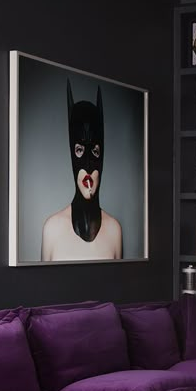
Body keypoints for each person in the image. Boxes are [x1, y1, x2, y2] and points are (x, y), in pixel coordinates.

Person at [41, 81, 122, 261]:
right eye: (79, 150)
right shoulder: (52, 229)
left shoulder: (114, 230)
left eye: (94, 151)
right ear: (71, 153)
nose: (87, 166)